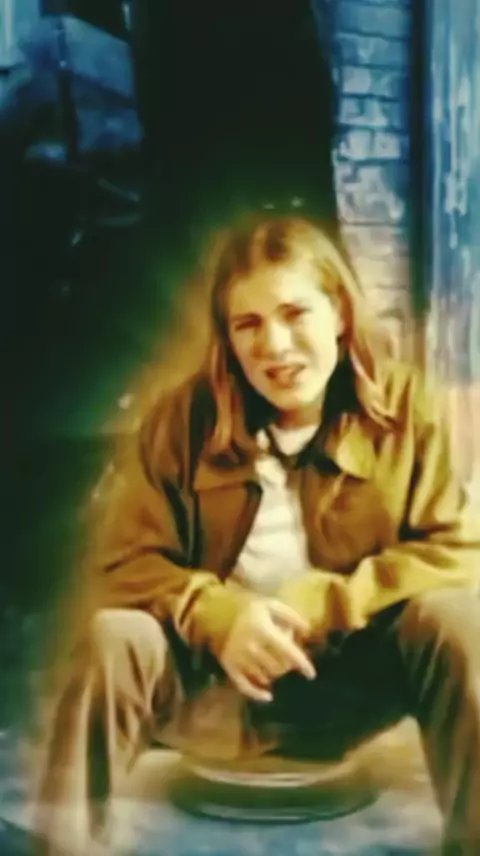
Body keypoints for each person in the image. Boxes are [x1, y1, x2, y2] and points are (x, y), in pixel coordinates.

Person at [34, 216, 480, 856]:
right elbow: (126, 562)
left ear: (339, 314)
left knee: (459, 618)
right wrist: (217, 615)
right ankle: (64, 847)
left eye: (295, 313)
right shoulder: (181, 420)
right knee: (115, 635)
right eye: (248, 324)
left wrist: (328, 602)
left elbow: (458, 550)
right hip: (214, 685)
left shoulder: (405, 409)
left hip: (353, 676)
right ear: (228, 338)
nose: (274, 345)